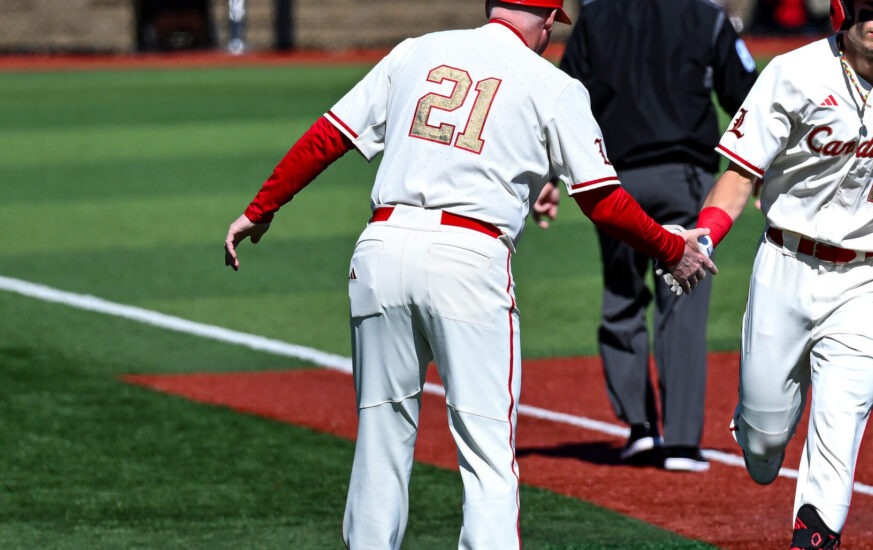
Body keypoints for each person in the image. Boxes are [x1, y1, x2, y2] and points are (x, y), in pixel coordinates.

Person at [221, 1, 716, 548]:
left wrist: (260, 208)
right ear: (548, 18)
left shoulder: (417, 51)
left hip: (381, 249)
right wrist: (672, 248)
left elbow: (329, 136)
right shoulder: (552, 84)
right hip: (468, 258)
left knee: (381, 442)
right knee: (487, 452)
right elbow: (602, 200)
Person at [690, 0, 873, 546]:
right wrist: (706, 232)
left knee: (840, 420)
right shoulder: (793, 73)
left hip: (868, 280)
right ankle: (755, 427)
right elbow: (742, 170)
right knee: (765, 448)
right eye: (871, 7)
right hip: (785, 266)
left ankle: (815, 539)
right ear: (844, 11)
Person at [558, 0, 758, 473]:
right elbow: (748, 97)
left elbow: (566, 96)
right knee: (683, 299)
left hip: (613, 180)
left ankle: (640, 430)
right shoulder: (706, 15)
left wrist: (553, 174)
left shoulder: (595, 17)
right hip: (682, 176)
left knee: (622, 296)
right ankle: (684, 442)